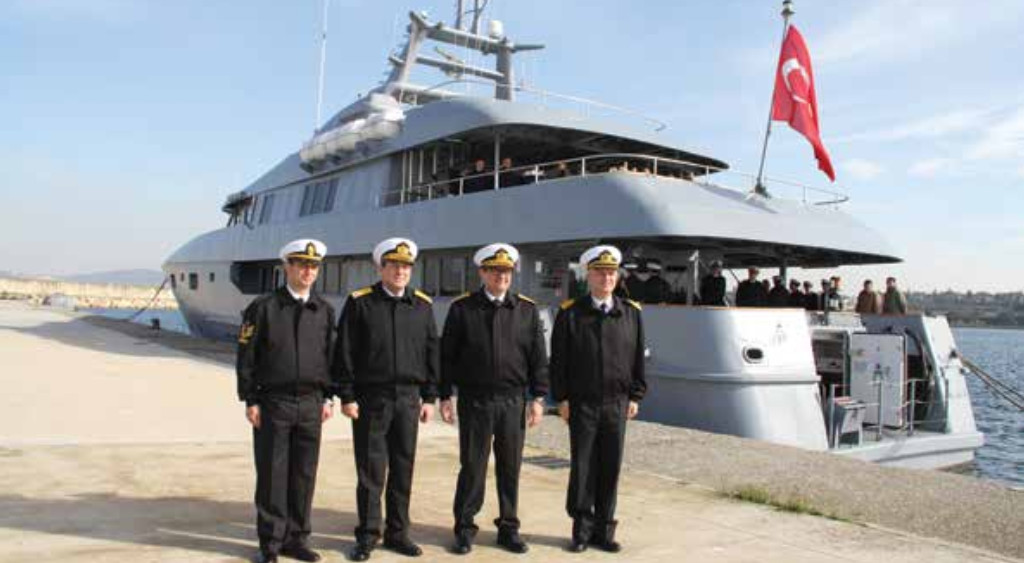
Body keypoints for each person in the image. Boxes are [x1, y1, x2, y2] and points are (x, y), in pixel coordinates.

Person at [333, 237, 439, 561]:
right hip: (371, 398)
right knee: (371, 471)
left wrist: (430, 397)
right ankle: (368, 534)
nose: (400, 271)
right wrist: (347, 395)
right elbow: (345, 352)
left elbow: (431, 353)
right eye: (394, 265)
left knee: (403, 468)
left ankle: (398, 533)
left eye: (406, 266)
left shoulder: (422, 306)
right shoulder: (360, 303)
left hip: (408, 398)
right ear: (381, 268)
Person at [439, 243, 549, 555]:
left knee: (510, 467)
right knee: (472, 467)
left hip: (513, 401)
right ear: (482, 273)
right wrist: (445, 394)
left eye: (506, 270)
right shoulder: (463, 309)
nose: (502, 276)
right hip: (475, 400)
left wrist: (538, 397)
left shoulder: (526, 310)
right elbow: (447, 356)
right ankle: (464, 529)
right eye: (495, 270)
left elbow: (538, 358)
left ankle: (508, 528)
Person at [237, 239, 336, 563]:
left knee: (304, 475)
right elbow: (246, 357)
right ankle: (270, 544)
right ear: (287, 268)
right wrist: (250, 399)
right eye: (302, 264)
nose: (308, 271)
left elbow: (329, 357)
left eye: (313, 266)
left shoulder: (323, 310)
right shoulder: (263, 308)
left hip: (311, 403)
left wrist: (328, 396)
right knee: (272, 475)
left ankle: (296, 539)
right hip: (274, 403)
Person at [550, 245, 646, 553]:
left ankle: (604, 531)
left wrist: (635, 394)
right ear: (588, 276)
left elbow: (637, 359)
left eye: (611, 272)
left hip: (617, 403)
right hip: (583, 404)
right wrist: (562, 398)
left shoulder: (630, 313)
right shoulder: (571, 313)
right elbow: (559, 361)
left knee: (610, 467)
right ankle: (581, 530)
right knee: (583, 467)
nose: (607, 278)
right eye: (600, 273)